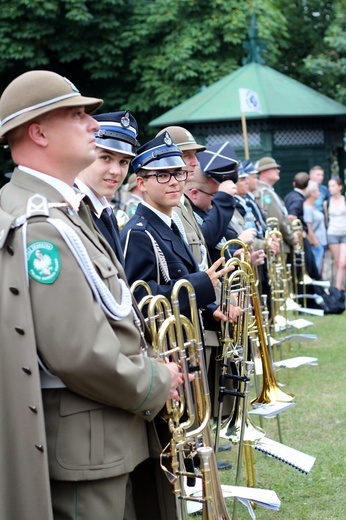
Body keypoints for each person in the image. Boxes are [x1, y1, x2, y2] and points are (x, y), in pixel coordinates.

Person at [0, 70, 182, 520]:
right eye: (78, 115)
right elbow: (79, 352)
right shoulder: (38, 223)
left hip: (105, 436)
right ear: (38, 132)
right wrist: (158, 381)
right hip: (88, 448)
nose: (94, 125)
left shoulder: (60, 210)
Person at [120, 131, 236, 321]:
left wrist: (210, 311)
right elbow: (139, 302)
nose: (174, 182)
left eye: (178, 174)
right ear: (141, 183)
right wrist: (201, 284)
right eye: (162, 175)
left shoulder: (171, 224)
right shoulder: (138, 233)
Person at [76, 110, 138, 265]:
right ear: (83, 154)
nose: (116, 171)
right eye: (105, 158)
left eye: (124, 162)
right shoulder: (70, 210)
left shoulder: (104, 211)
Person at [253, 156, 298, 255]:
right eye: (274, 169)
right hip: (277, 246)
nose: (278, 171)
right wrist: (291, 237)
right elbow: (277, 220)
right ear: (263, 172)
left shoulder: (264, 191)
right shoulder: (265, 193)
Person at [324, 177, 346, 293]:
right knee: (337, 262)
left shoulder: (344, 200)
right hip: (332, 233)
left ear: (340, 187)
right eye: (329, 186)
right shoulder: (327, 203)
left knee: (343, 262)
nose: (330, 188)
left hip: (345, 233)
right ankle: (340, 287)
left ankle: (337, 288)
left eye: (333, 185)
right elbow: (327, 220)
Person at [304, 180, 328, 275]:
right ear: (312, 193)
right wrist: (315, 242)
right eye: (317, 191)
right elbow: (308, 227)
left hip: (321, 241)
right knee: (316, 270)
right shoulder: (307, 208)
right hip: (315, 243)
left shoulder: (314, 206)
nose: (319, 193)